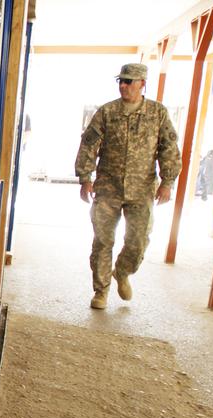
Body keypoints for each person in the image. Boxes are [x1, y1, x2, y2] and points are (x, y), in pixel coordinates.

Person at [75, 63, 182, 309]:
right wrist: (85, 178)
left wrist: (168, 181)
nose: (123, 85)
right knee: (102, 241)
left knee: (138, 241)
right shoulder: (107, 112)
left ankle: (122, 272)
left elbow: (169, 148)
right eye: (121, 81)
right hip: (107, 188)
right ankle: (100, 291)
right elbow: (89, 144)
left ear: (142, 83)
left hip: (142, 189)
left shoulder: (157, 113)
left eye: (129, 81)